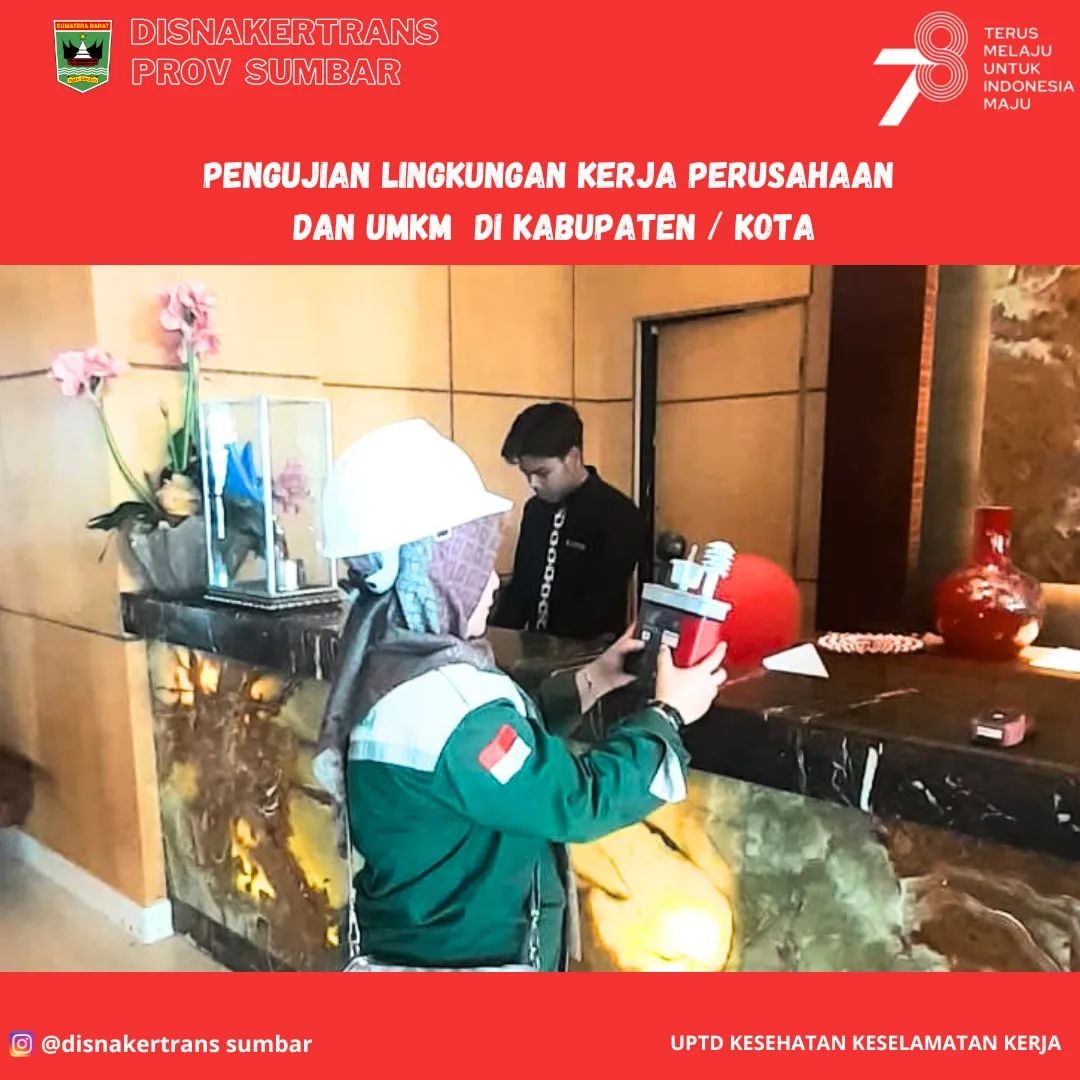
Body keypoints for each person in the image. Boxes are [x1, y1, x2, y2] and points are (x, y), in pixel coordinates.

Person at [313, 418, 727, 972]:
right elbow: (574, 801)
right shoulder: (449, 710)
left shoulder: (384, 662)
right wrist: (668, 716)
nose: (491, 583)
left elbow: (499, 749)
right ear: (433, 570)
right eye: (476, 565)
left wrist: (593, 679)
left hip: (413, 942)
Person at [491, 402, 646, 641]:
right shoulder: (535, 510)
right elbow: (521, 587)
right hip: (531, 649)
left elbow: (600, 604)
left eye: (542, 473)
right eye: (527, 474)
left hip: (591, 652)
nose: (533, 484)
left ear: (573, 457)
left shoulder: (617, 514)